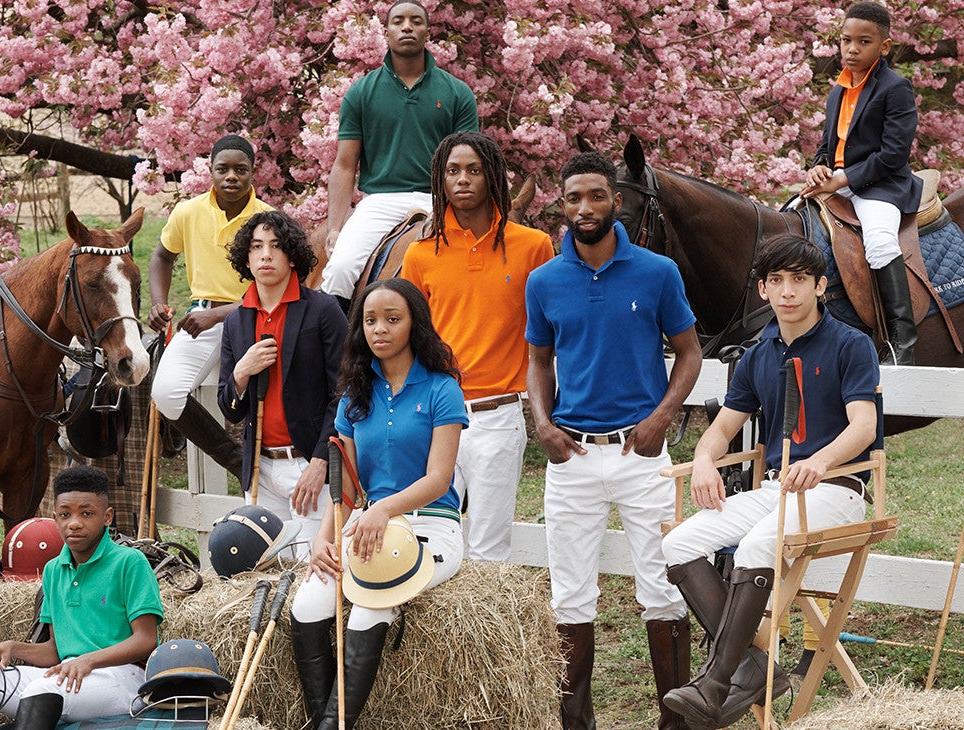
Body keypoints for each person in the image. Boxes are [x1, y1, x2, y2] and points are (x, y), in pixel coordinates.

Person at [661, 233, 879, 729]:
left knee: (755, 545)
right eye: (776, 280)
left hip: (837, 489)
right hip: (777, 489)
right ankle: (751, 665)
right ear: (762, 289)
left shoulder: (851, 344)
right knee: (679, 544)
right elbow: (721, 430)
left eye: (799, 280)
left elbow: (863, 425)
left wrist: (820, 462)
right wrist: (701, 460)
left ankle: (716, 682)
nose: (787, 292)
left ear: (821, 286)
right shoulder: (759, 353)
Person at [525, 152, 702, 730]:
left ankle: (673, 721)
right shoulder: (544, 280)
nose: (585, 208)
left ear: (616, 201)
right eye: (574, 198)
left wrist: (661, 419)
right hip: (571, 456)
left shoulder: (657, 272)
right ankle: (577, 723)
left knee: (664, 587)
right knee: (569, 595)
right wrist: (543, 424)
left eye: (596, 196)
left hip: (642, 453)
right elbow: (537, 358)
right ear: (562, 204)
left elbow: (690, 352)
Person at [289, 278, 468, 730]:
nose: (379, 329)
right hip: (368, 524)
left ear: (415, 324)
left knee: (372, 602)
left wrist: (384, 509)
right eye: (370, 320)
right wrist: (322, 542)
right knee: (307, 605)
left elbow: (438, 478)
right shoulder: (354, 395)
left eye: (392, 319)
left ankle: (333, 726)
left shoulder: (441, 389)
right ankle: (322, 721)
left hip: (430, 524)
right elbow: (346, 485)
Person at [400, 130, 553, 561]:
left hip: (498, 417)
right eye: (452, 171)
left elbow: (551, 332)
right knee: (425, 540)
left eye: (474, 170)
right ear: (440, 180)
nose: (463, 179)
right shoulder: (421, 254)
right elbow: (408, 339)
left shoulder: (533, 247)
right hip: (434, 415)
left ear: (491, 178)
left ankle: (487, 630)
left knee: (489, 548)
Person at [318, 0, 479, 306]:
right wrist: (335, 227)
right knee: (339, 269)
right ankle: (339, 350)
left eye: (416, 21)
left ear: (427, 31)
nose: (408, 27)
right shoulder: (361, 92)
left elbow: (470, 164)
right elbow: (344, 165)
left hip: (441, 200)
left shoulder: (457, 93)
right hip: (379, 201)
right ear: (387, 31)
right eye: (399, 21)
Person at [0, 465, 164, 727]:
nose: (75, 523)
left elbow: (147, 640)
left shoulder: (130, 562)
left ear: (107, 517)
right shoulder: (53, 570)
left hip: (124, 676)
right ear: (55, 518)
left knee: (43, 690)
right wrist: (13, 647)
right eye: (65, 514)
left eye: (87, 513)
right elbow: (55, 651)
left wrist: (88, 660)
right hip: (68, 672)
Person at [218, 211, 348, 558]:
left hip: (309, 466)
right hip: (260, 469)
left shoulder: (322, 310)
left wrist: (321, 461)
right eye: (257, 246)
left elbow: (346, 391)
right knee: (269, 572)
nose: (265, 255)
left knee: (313, 569)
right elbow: (229, 405)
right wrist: (241, 372)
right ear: (246, 257)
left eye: (276, 246)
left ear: (291, 255)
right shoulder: (235, 321)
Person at [801, 1, 923, 365]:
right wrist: (817, 168)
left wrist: (842, 178)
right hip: (837, 184)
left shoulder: (896, 88)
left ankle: (903, 340)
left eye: (863, 42)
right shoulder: (837, 91)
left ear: (883, 47)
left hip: (880, 186)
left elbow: (893, 156)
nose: (852, 49)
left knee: (880, 241)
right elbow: (827, 146)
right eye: (846, 40)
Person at [147, 134, 273, 477]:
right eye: (223, 169)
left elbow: (275, 287)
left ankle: (275, 468)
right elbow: (161, 256)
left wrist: (215, 315)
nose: (231, 176)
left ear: (252, 173)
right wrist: (158, 301)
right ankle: (236, 461)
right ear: (211, 173)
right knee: (166, 392)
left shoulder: (269, 218)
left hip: (256, 321)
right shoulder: (188, 211)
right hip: (199, 320)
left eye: (240, 169)